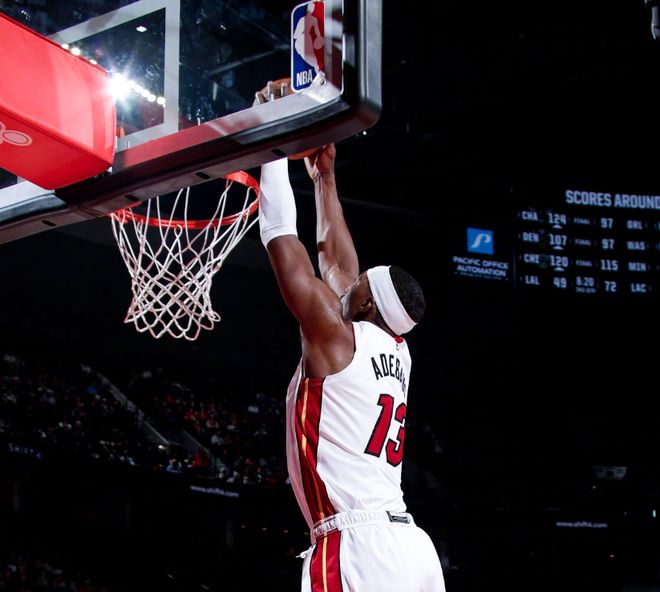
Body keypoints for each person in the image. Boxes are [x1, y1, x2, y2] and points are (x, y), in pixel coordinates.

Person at [256, 137, 445, 590]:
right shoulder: (398, 350)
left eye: (358, 286)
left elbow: (283, 241)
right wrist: (325, 179)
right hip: (411, 547)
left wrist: (272, 147)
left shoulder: (337, 339)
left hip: (358, 546)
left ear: (365, 306)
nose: (348, 281)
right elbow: (339, 266)